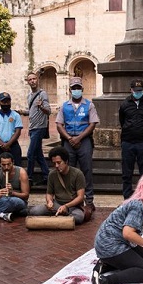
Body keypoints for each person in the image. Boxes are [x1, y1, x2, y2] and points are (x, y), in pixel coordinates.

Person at [56, 76, 97, 211]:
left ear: (82, 89)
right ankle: (71, 200)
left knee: (87, 170)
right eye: (74, 88)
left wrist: (79, 138)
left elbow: (92, 124)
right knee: (68, 170)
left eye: (78, 88)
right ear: (70, 90)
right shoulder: (64, 106)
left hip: (84, 141)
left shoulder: (89, 105)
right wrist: (69, 138)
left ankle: (89, 200)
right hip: (68, 141)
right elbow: (59, 125)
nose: (76, 90)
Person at [119, 79, 143, 199]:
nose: (138, 92)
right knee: (127, 172)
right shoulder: (125, 104)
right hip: (128, 142)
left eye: (140, 90)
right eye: (136, 91)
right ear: (131, 90)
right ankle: (127, 197)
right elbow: (122, 121)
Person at [28, 146, 87, 225]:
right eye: (54, 163)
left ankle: (61, 217)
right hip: (57, 205)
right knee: (34, 211)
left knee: (78, 217)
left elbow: (80, 197)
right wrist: (49, 201)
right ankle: (63, 218)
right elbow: (49, 193)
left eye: (59, 163)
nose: (56, 166)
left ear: (66, 161)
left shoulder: (77, 174)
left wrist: (66, 206)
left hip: (72, 206)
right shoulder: (52, 174)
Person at [24, 72, 51, 186]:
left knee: (30, 154)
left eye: (34, 79)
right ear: (27, 82)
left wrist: (41, 106)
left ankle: (29, 178)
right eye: (30, 79)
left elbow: (48, 111)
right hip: (32, 127)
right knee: (38, 154)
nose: (33, 81)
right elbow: (31, 112)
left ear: (38, 80)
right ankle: (47, 175)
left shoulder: (42, 94)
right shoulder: (29, 96)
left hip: (40, 127)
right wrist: (23, 112)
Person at [0, 92, 23, 168]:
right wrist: (2, 144)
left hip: (13, 146)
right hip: (0, 147)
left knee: (17, 168)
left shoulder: (16, 115)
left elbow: (18, 131)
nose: (6, 104)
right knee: (0, 170)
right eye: (4, 102)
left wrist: (8, 144)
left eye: (8, 101)